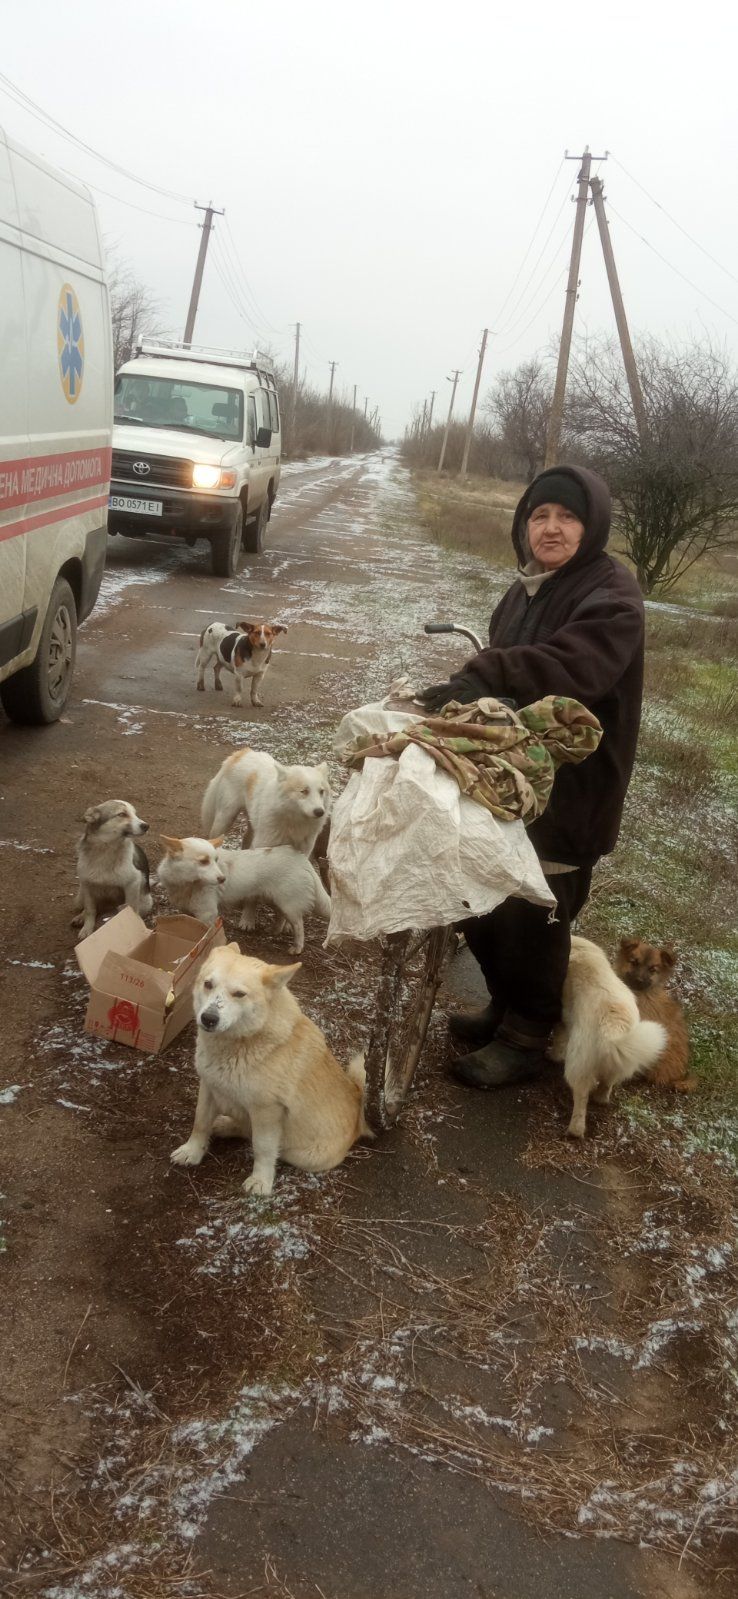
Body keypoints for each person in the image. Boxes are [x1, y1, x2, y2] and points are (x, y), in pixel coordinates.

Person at [419, 464, 645, 1090]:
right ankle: (503, 1004)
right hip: (518, 777)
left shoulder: (611, 593)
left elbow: (576, 664)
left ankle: (528, 1033)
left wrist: (491, 671)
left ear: (591, 525)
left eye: (567, 516)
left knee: (537, 909)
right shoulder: (526, 589)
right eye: (539, 516)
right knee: (485, 900)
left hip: (575, 787)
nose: (551, 527)